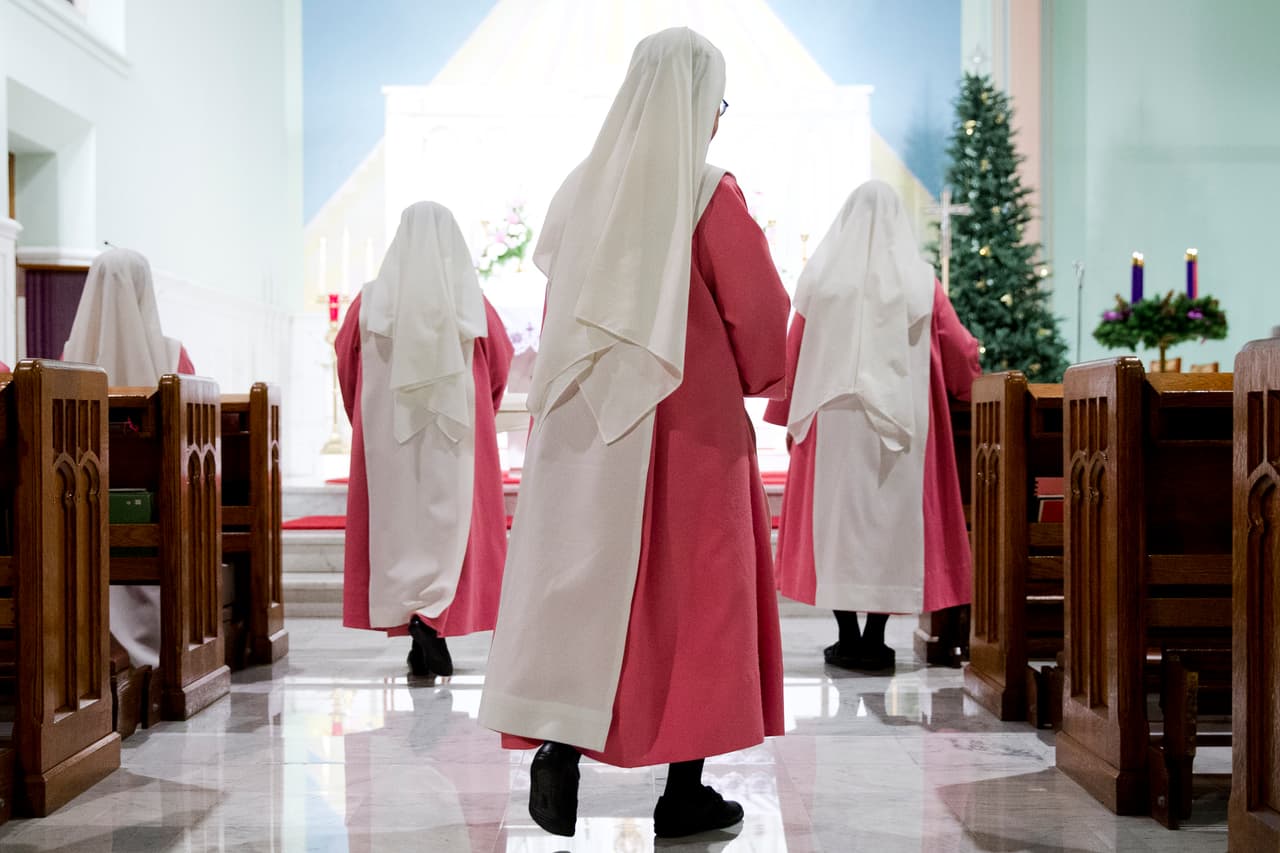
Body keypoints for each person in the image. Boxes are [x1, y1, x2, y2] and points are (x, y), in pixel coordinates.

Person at [477, 27, 790, 840]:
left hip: (587, 428)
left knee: (585, 585)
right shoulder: (708, 191)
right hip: (690, 431)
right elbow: (759, 315)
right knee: (697, 607)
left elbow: (557, 307)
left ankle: (561, 745)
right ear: (700, 103)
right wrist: (763, 377)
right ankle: (684, 792)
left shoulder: (583, 189)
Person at [764, 180, 981, 672]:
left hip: (832, 422)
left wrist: (783, 417)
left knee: (838, 526)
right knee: (889, 524)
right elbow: (958, 348)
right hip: (901, 422)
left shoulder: (821, 280)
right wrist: (970, 384)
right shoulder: (918, 280)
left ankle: (846, 638)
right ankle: (878, 640)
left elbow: (791, 353)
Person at [336, 201, 512, 677]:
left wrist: (365, 426)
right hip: (457, 435)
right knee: (451, 532)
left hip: (387, 439)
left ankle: (413, 620)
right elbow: (500, 361)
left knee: (398, 528)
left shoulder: (369, 302)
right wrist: (482, 415)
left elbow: (347, 365)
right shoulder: (470, 301)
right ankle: (433, 620)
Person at [63, 247, 197, 669]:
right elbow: (198, 434)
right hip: (157, 504)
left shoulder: (67, 360)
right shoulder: (172, 357)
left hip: (78, 503)